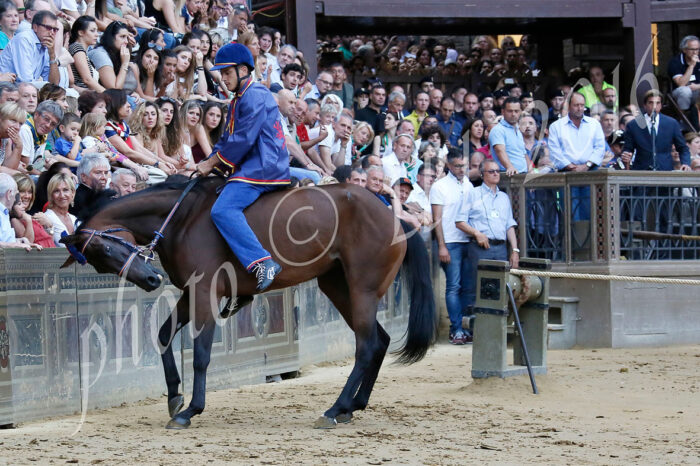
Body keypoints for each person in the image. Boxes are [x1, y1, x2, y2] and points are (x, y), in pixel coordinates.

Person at [195, 43, 288, 291]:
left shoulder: (255, 94)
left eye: (227, 73)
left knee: (222, 211)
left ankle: (263, 262)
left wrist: (212, 162)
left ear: (244, 70)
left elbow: (244, 139)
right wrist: (206, 163)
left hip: (263, 166)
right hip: (252, 163)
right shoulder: (239, 98)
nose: (223, 79)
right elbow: (226, 139)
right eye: (221, 74)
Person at [456, 159, 519, 332]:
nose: (496, 174)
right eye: (491, 171)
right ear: (483, 174)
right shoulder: (472, 194)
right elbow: (460, 221)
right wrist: (476, 233)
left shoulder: (504, 197)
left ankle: (495, 329)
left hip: (500, 248)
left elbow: (509, 225)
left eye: (498, 171)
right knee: (477, 287)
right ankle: (475, 330)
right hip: (479, 247)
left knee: (499, 288)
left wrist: (514, 250)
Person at [430, 149, 474, 345]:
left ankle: (463, 328)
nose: (461, 169)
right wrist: (441, 245)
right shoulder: (439, 186)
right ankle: (456, 329)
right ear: (448, 165)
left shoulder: (467, 183)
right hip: (450, 241)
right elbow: (436, 219)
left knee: (466, 287)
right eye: (457, 166)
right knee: (454, 286)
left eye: (463, 165)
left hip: (467, 240)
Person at [622, 90, 691, 171]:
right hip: (641, 171)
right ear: (645, 105)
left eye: (657, 103)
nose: (654, 107)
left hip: (665, 170)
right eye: (651, 103)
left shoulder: (671, 123)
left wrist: (685, 163)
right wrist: (626, 155)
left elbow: (683, 148)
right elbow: (628, 148)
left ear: (661, 105)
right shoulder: (634, 125)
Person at [0, 10, 60, 85]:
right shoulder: (24, 39)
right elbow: (26, 81)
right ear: (35, 27)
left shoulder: (46, 44)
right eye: (48, 28)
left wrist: (52, 56)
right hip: (6, 89)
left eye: (55, 30)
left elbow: (54, 84)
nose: (52, 33)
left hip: (22, 91)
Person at [489, 96, 530, 175]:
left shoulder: (518, 129)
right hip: (508, 175)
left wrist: (531, 170)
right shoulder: (498, 130)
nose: (513, 114)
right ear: (503, 112)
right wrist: (509, 167)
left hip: (522, 175)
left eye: (516, 111)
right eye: (510, 111)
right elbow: (500, 151)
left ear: (521, 112)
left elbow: (523, 153)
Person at [19, 99, 62, 173]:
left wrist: (46, 163)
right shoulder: (25, 129)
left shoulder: (43, 134)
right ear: (36, 115)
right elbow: (26, 167)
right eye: (46, 119)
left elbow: (34, 164)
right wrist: (43, 175)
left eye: (53, 124)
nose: (48, 125)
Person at [70, 153, 115, 219]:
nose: (104, 177)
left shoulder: (100, 195)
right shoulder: (80, 200)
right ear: (84, 177)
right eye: (98, 173)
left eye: (106, 173)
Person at [0, 173, 38, 250]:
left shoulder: (4, 212)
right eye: (16, 195)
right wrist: (13, 245)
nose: (15, 200)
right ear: (9, 194)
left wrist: (18, 241)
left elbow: (4, 240)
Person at [68, 15, 104, 93]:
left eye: (97, 31)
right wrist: (107, 95)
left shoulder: (81, 50)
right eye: (92, 30)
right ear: (81, 32)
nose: (97, 34)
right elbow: (87, 79)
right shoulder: (77, 48)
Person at [44, 172, 77, 246]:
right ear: (51, 195)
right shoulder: (46, 218)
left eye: (65, 190)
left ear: (72, 193)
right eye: (56, 191)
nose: (62, 195)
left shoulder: (75, 219)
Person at [668, 35, 700, 111]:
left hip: (698, 90)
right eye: (692, 49)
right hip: (681, 93)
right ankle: (684, 117)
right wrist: (692, 65)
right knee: (685, 91)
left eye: (697, 49)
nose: (695, 52)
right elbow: (681, 83)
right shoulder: (675, 62)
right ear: (684, 50)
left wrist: (697, 86)